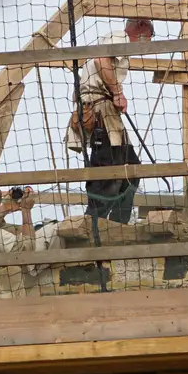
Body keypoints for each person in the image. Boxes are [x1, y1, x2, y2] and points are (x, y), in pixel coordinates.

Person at [72, 17, 154, 223]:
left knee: (130, 169)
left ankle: (118, 224)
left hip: (107, 114)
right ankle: (94, 224)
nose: (149, 43)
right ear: (142, 28)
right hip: (102, 113)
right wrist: (117, 92)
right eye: (150, 37)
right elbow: (101, 58)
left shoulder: (119, 44)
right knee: (107, 173)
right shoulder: (121, 38)